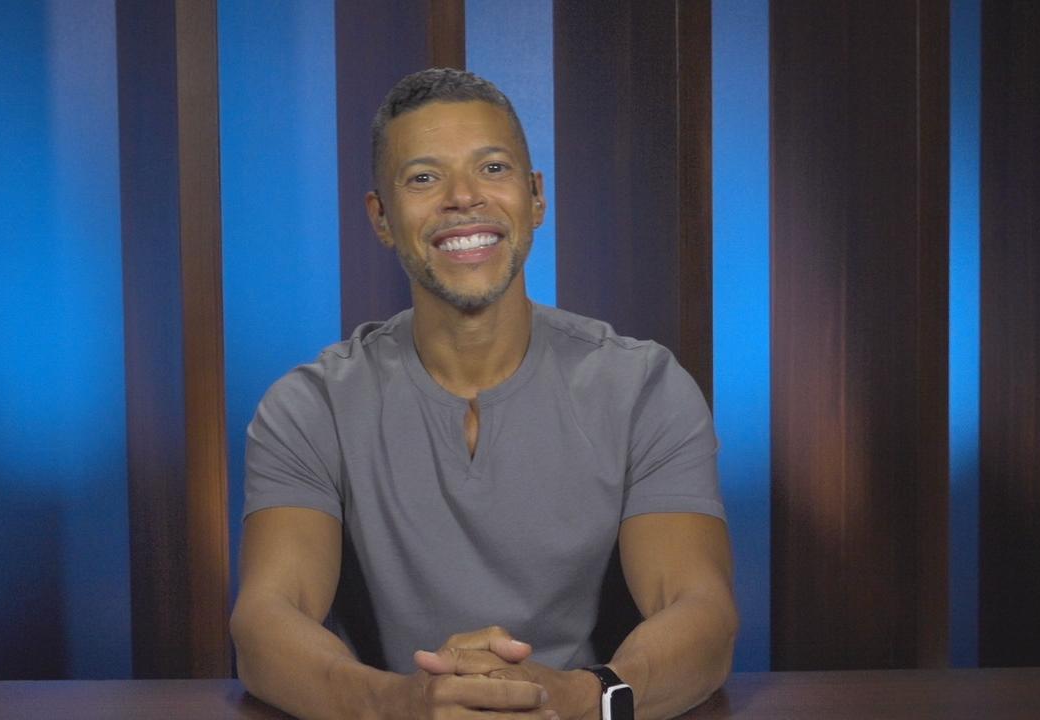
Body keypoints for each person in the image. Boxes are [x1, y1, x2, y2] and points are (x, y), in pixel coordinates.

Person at [231, 68, 737, 720]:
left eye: (493, 169)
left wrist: (578, 698)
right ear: (381, 218)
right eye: (423, 178)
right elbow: (266, 624)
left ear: (536, 197)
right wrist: (403, 705)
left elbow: (702, 614)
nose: (463, 198)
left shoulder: (644, 388)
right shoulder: (309, 408)